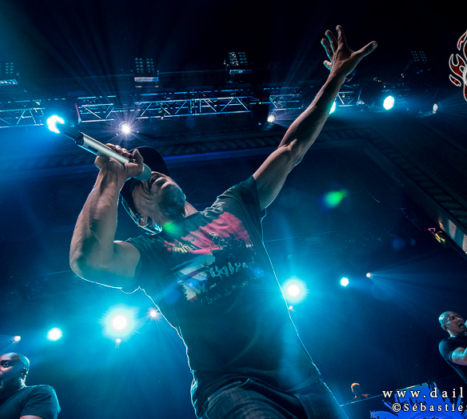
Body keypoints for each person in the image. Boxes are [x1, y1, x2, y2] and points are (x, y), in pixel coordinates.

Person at [70, 25, 376, 419]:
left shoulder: (233, 204)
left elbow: (292, 147)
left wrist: (336, 77)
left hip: (305, 380)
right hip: (232, 388)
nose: (152, 177)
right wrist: (110, 178)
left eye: (157, 171)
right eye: (139, 186)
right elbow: (88, 260)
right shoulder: (149, 253)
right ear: (142, 218)